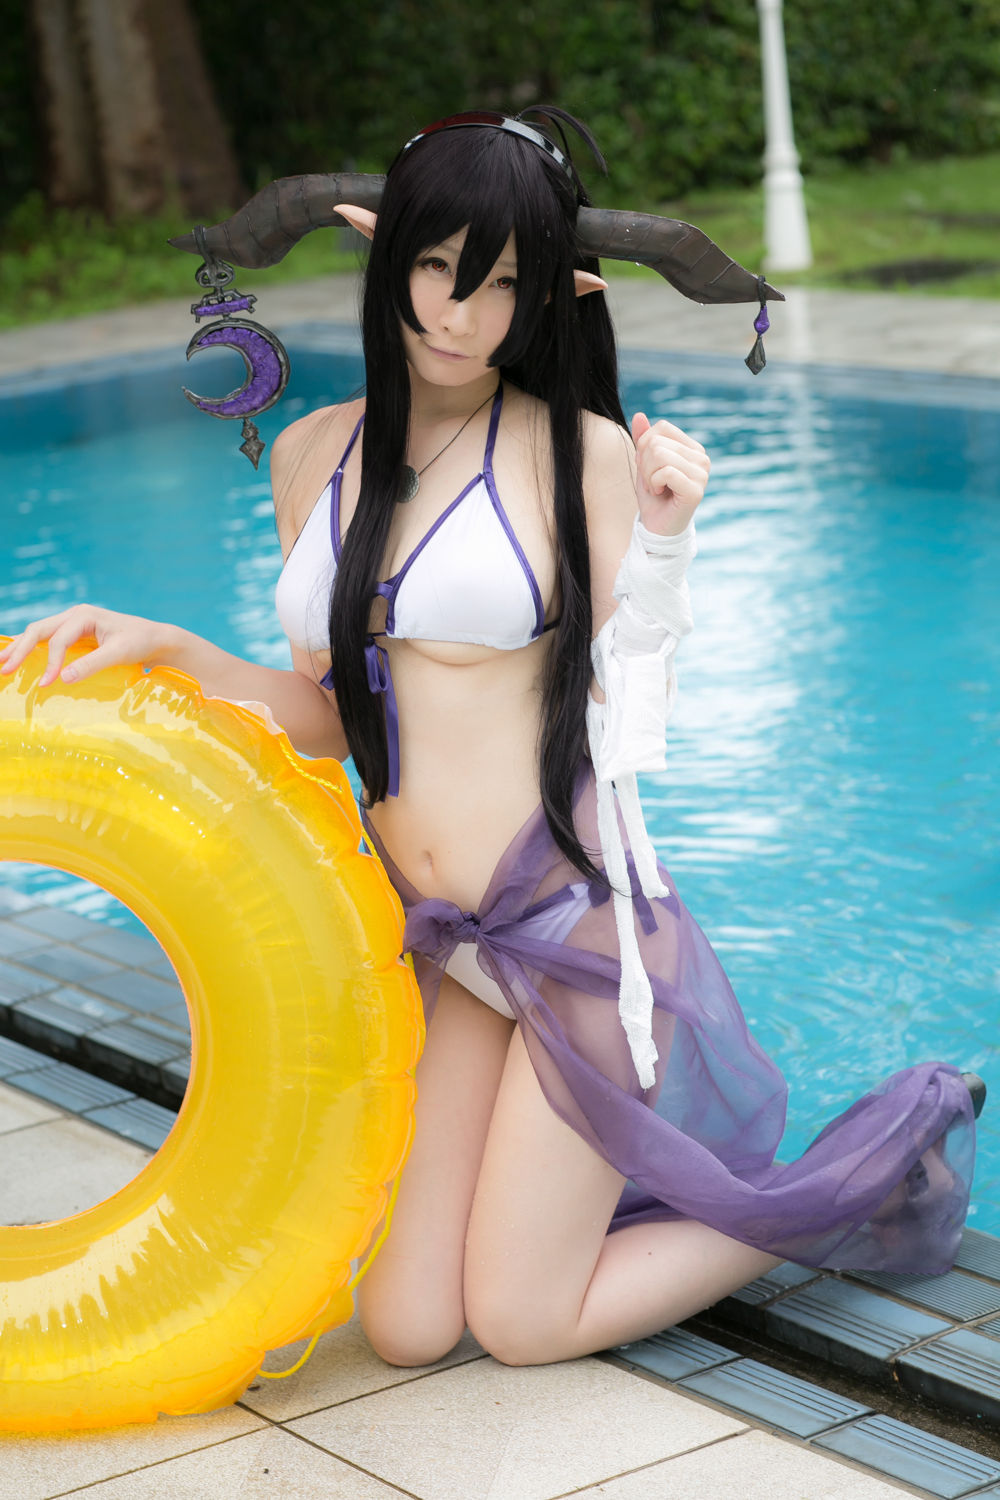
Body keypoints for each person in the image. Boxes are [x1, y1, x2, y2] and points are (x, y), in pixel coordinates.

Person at [0, 109, 980, 1370]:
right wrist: (170, 650)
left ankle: (854, 1182)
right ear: (381, 248)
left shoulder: (579, 454)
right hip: (446, 945)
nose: (459, 314)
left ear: (555, 296)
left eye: (503, 284)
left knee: (519, 1323)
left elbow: (638, 707)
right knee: (407, 1327)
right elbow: (337, 719)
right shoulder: (309, 455)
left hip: (573, 941)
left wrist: (666, 541)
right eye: (433, 267)